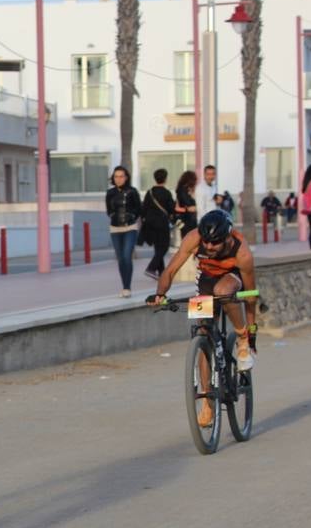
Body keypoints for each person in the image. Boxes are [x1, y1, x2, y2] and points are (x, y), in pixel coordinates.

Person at [148, 211, 259, 423]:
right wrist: (160, 294)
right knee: (202, 332)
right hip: (206, 278)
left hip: (233, 277)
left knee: (223, 290)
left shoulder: (242, 252)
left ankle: (240, 336)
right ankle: (208, 402)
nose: (208, 247)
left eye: (215, 243)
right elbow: (170, 270)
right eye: (206, 242)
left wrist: (251, 332)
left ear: (227, 238)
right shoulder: (194, 238)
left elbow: (251, 298)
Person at [105, 165, 142, 297]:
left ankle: (127, 287)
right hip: (115, 228)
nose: (118, 179)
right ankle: (124, 286)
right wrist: (113, 216)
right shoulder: (110, 193)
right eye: (116, 176)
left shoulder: (133, 191)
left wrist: (131, 216)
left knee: (127, 256)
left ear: (126, 178)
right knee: (120, 259)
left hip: (130, 228)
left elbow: (139, 209)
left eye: (121, 176)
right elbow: (108, 210)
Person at [140, 168, 176, 280]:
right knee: (164, 248)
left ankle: (161, 273)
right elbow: (171, 209)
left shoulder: (149, 192)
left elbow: (143, 209)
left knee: (158, 248)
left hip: (150, 224)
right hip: (162, 224)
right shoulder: (166, 193)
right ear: (165, 178)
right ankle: (151, 268)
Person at [175, 170, 199, 235]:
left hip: (185, 220)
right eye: (195, 179)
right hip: (187, 220)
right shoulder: (183, 190)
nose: (196, 182)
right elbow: (189, 205)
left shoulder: (182, 190)